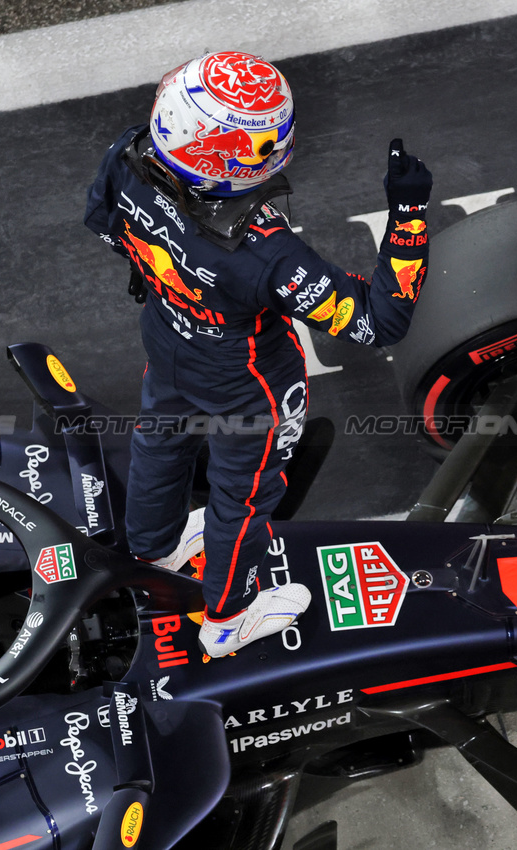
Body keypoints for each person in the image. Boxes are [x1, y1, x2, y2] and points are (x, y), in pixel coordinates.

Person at [84, 50, 432, 657]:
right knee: (243, 498)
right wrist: (408, 212)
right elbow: (380, 322)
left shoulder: (130, 153)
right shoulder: (269, 252)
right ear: (229, 155)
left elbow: (105, 225)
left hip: (166, 334)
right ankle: (227, 618)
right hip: (248, 379)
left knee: (159, 438)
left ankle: (153, 544)